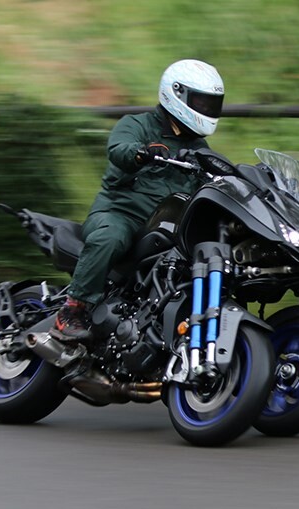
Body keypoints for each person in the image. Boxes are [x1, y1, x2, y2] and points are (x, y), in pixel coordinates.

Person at [49, 59, 225, 344]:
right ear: (176, 94)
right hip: (120, 213)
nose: (208, 110)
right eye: (202, 103)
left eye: (212, 104)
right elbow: (118, 150)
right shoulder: (137, 124)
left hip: (165, 226)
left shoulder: (199, 149)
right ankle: (73, 308)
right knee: (111, 237)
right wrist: (140, 153)